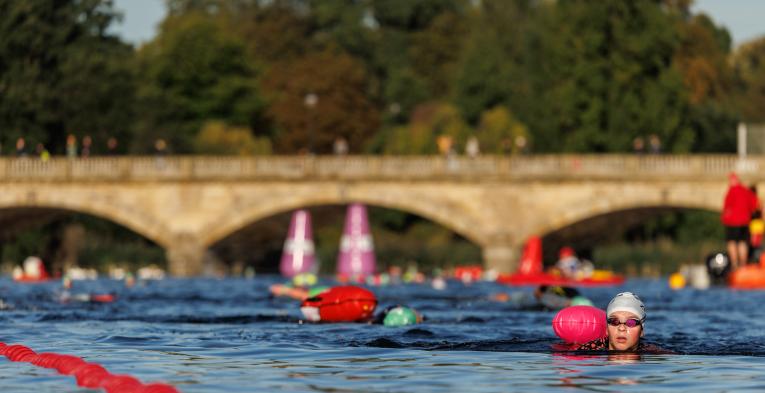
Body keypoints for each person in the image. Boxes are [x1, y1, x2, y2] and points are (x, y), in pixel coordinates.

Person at [576, 292, 666, 353]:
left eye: (631, 322)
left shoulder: (654, 352)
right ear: (607, 329)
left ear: (641, 331)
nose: (621, 328)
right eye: (614, 321)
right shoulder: (587, 350)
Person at [721, 173, 756, 269]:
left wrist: (724, 218)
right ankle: (743, 265)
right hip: (744, 222)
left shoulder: (731, 191)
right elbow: (754, 205)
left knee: (732, 242)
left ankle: (735, 265)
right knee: (743, 243)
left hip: (732, 222)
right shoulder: (746, 191)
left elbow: (726, 207)